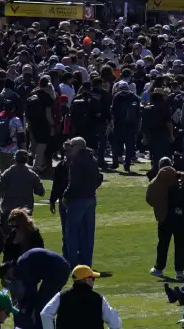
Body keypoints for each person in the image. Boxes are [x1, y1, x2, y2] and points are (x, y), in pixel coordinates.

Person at [56, 140, 100, 269]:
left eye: (72, 146)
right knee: (88, 233)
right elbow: (98, 178)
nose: (70, 148)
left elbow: (73, 184)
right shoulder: (93, 160)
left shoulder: (77, 161)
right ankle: (87, 262)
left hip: (78, 200)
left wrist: (65, 196)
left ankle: (72, 262)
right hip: (91, 199)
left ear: (78, 147)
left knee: (72, 232)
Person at [37, 265, 118, 329]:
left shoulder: (61, 296)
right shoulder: (99, 299)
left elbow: (45, 314)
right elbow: (115, 324)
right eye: (93, 278)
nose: (93, 282)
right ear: (87, 279)